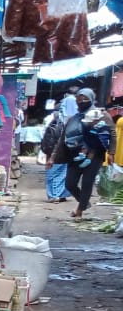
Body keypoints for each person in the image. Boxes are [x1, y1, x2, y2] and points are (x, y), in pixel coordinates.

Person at [56, 89, 114, 219]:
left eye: (85, 99)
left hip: (95, 153)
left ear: (92, 99)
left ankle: (80, 210)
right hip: (75, 155)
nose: (81, 102)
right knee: (70, 184)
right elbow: (63, 137)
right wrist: (53, 156)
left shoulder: (101, 115)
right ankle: (84, 203)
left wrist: (111, 152)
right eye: (79, 99)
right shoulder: (74, 118)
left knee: (87, 182)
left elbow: (112, 133)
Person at [40, 110, 69, 202]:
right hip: (60, 155)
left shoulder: (52, 123)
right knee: (60, 175)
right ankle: (56, 195)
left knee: (52, 175)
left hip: (52, 154)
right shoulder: (64, 125)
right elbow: (59, 143)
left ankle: (54, 195)